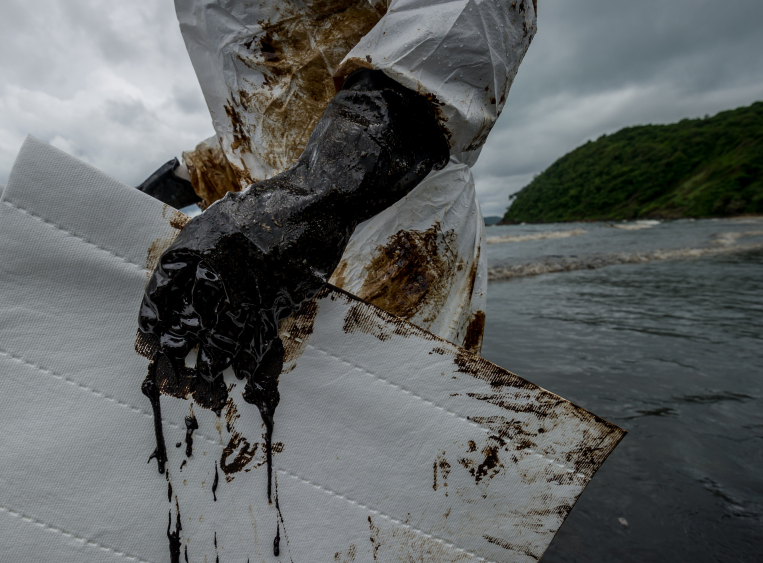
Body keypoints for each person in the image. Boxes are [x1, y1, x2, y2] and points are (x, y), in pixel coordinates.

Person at [137, 0, 536, 389]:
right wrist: (145, 195)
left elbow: (463, 17)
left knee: (373, 423)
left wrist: (317, 198)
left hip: (395, 225)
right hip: (257, 241)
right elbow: (259, 118)